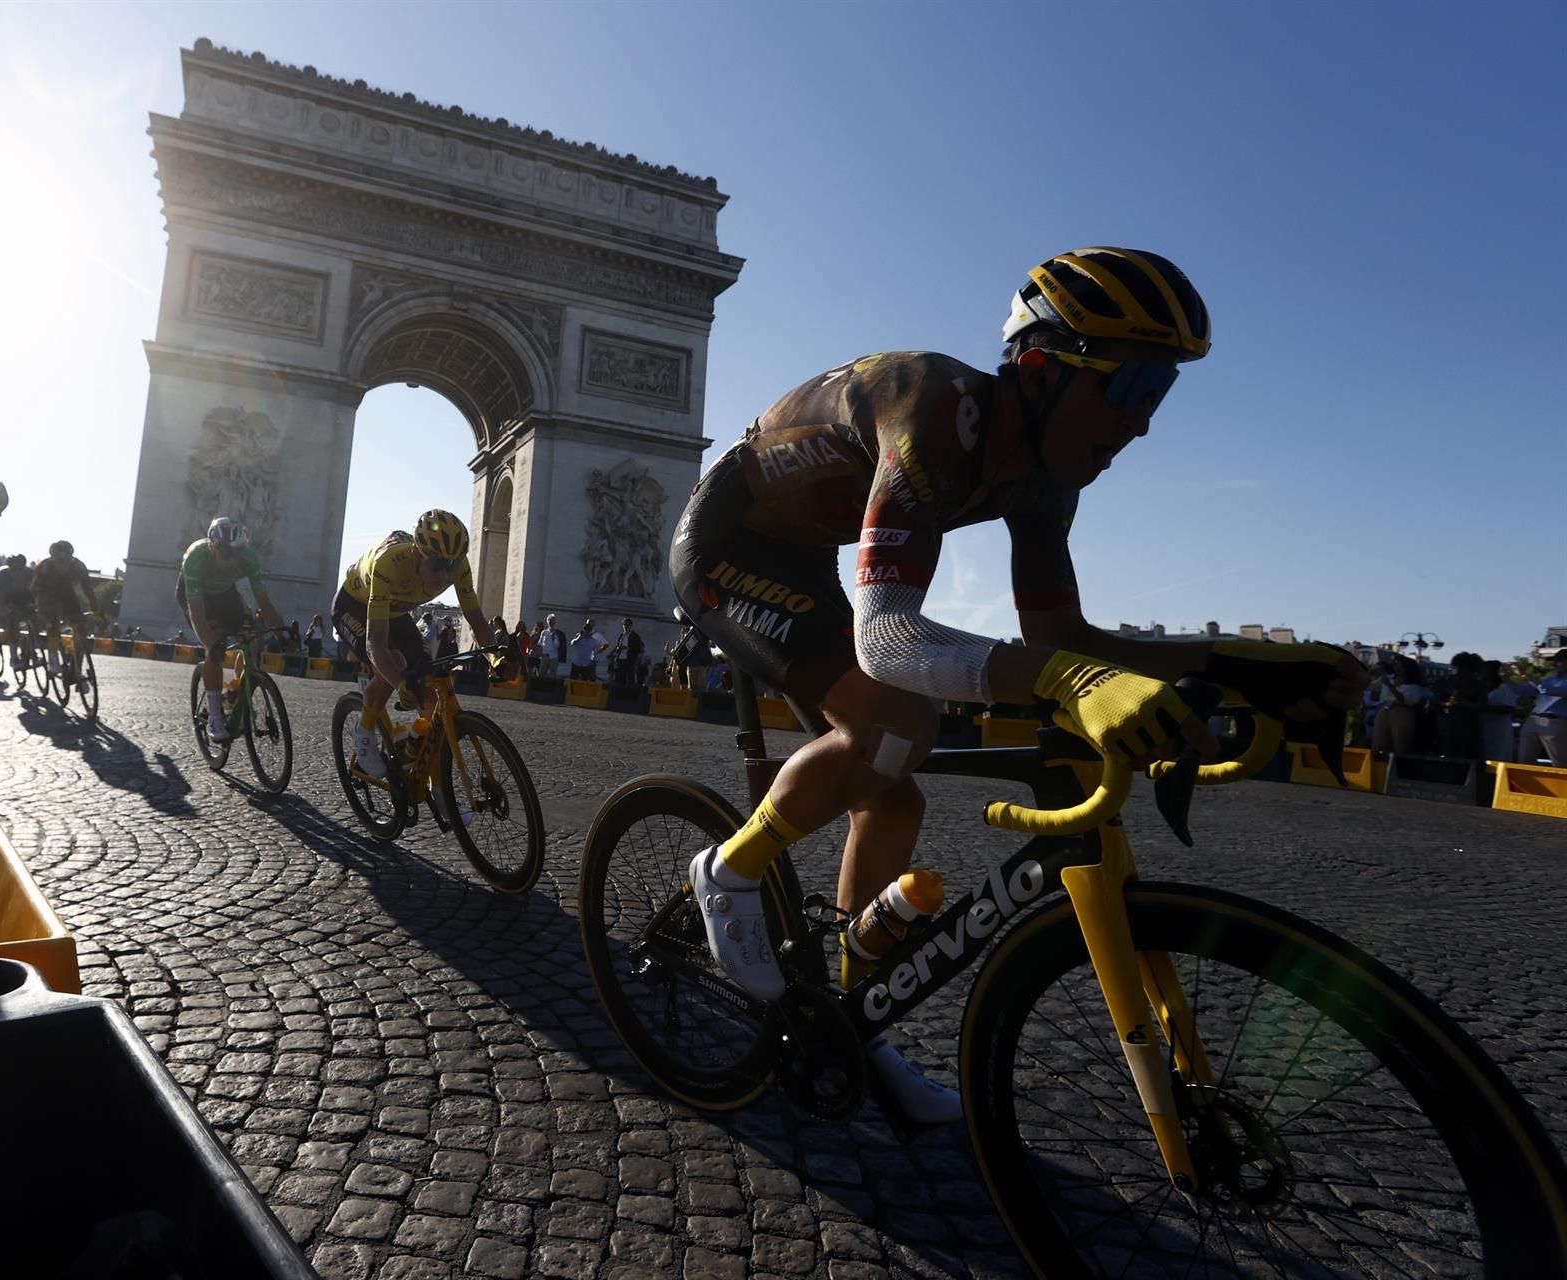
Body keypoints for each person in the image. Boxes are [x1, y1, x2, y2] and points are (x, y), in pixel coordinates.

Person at [668, 248, 1359, 1123]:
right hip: (726, 546)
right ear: (1039, 370)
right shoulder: (929, 409)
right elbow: (889, 638)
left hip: (805, 555)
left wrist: (1226, 663)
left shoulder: (1043, 483)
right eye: (1133, 386)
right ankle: (728, 869)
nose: (1143, 423)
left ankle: (859, 1024)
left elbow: (1063, 638)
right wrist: (1076, 680)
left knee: (896, 804)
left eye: (1162, 395)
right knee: (895, 726)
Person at [333, 510, 496, 779]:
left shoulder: (458, 565)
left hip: (396, 612)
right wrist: (400, 683)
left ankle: (433, 781)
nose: (444, 575)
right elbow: (375, 643)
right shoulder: (389, 563)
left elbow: (477, 621)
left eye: (451, 566)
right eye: (436, 565)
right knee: (394, 663)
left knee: (430, 692)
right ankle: (364, 731)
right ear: (417, 553)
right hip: (354, 605)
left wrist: (496, 658)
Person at [176, 517, 284, 743]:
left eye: (237, 555)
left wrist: (281, 633)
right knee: (214, 649)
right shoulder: (196, 558)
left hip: (226, 595)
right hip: (198, 599)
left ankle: (234, 691)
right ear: (212, 546)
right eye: (227, 555)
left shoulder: (249, 559)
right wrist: (212, 644)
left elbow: (264, 603)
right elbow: (197, 613)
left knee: (250, 640)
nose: (233, 561)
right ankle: (215, 714)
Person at [33, 540, 100, 695]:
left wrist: (95, 610)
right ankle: (53, 656)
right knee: (52, 621)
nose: (61, 564)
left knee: (81, 629)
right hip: (48, 594)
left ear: (71, 558)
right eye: (58, 560)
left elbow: (88, 590)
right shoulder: (44, 567)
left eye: (65, 560)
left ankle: (77, 669)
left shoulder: (79, 567)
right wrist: (43, 612)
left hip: (68, 595)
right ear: (52, 558)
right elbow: (37, 591)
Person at [1517, 649, 1567, 765]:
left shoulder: (1550, 682)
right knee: (1524, 762)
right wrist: (1506, 678)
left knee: (1560, 763)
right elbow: (1523, 690)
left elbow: (1546, 690)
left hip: (1555, 721)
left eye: (1559, 661)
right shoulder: (1550, 679)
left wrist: (1525, 674)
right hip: (1533, 720)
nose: (1554, 664)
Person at [608, 617, 646, 686]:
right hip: (620, 659)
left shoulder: (635, 636)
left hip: (629, 660)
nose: (626, 626)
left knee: (629, 679)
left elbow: (639, 648)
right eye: (624, 624)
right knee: (619, 678)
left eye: (627, 625)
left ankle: (629, 694)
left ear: (631, 626)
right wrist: (613, 653)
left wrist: (627, 648)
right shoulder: (622, 635)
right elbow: (618, 646)